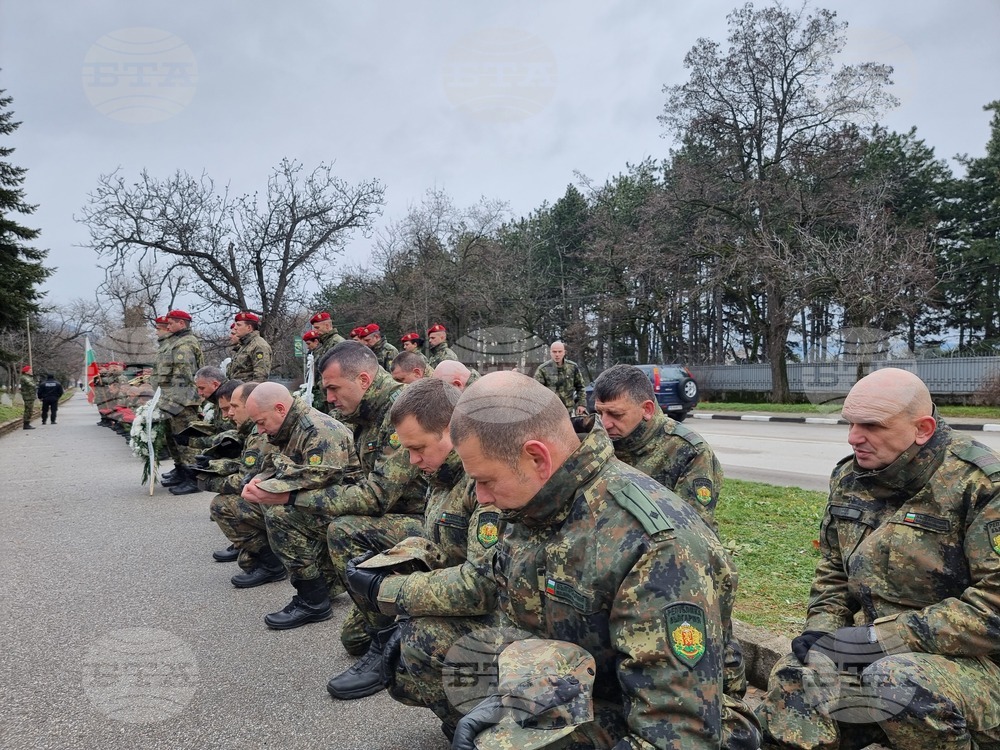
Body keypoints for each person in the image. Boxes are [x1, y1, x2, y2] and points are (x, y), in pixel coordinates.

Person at [447, 371, 760, 749]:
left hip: (681, 721)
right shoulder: (536, 507)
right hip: (595, 686)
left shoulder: (658, 547)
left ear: (536, 457)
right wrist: (515, 697)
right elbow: (530, 627)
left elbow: (680, 731)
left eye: (486, 480)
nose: (480, 497)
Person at [757, 367, 1000, 750]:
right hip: (875, 655)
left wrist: (880, 639)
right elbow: (834, 572)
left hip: (977, 667)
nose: (854, 438)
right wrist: (823, 630)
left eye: (871, 425)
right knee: (798, 674)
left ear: (922, 429)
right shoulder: (851, 478)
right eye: (850, 423)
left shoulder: (982, 485)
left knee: (897, 681)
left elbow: (994, 608)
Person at [326, 377, 497, 714]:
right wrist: (391, 561)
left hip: (499, 612)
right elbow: (443, 545)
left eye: (418, 448)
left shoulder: (484, 484)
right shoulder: (441, 475)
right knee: (355, 638)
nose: (413, 459)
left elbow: (483, 587)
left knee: (415, 648)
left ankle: (473, 725)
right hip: (461, 589)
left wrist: (391, 589)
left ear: (454, 430)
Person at [267, 341, 427, 648]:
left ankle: (388, 639)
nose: (328, 398)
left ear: (363, 381)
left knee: (343, 529)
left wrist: (291, 496)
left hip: (420, 523)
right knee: (285, 515)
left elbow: (376, 496)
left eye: (333, 388)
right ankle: (317, 595)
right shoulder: (365, 415)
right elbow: (357, 480)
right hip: (390, 516)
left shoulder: (400, 412)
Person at [240, 382, 360, 629]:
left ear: (281, 409)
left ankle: (312, 601)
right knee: (266, 503)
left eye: (261, 422)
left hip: (351, 506)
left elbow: (318, 478)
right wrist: (261, 479)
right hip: (327, 501)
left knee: (279, 513)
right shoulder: (287, 427)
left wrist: (268, 488)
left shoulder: (319, 430)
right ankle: (322, 582)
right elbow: (278, 464)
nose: (260, 430)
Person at [593, 364, 723, 530]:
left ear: (647, 409)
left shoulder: (689, 451)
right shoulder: (596, 440)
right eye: (599, 412)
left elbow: (691, 530)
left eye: (616, 414)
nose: (605, 424)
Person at [154, 309, 205, 489]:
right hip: (173, 401)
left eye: (171, 323)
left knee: (186, 442)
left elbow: (184, 377)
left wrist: (173, 402)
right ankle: (182, 470)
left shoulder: (184, 344)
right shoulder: (176, 342)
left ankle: (193, 478)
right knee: (174, 439)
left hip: (183, 402)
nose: (167, 327)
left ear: (181, 323)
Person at [533, 341, 588, 416]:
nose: (557, 355)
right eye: (554, 352)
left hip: (568, 410)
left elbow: (580, 387)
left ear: (564, 352)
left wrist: (581, 404)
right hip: (549, 411)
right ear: (550, 353)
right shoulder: (543, 369)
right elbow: (537, 391)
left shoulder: (572, 367)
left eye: (559, 351)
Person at [228, 311, 272, 382]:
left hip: (248, 391)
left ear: (249, 328)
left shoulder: (259, 346)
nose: (235, 328)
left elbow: (260, 377)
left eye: (239, 325)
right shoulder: (244, 345)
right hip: (238, 390)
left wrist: (251, 392)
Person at [19, 365, 36, 430]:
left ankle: (27, 423)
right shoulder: (24, 377)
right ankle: (26, 424)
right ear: (26, 372)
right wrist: (35, 385)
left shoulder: (29, 377)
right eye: (30, 370)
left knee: (30, 410)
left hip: (30, 396)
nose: (31, 371)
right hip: (27, 396)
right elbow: (31, 384)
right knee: (28, 410)